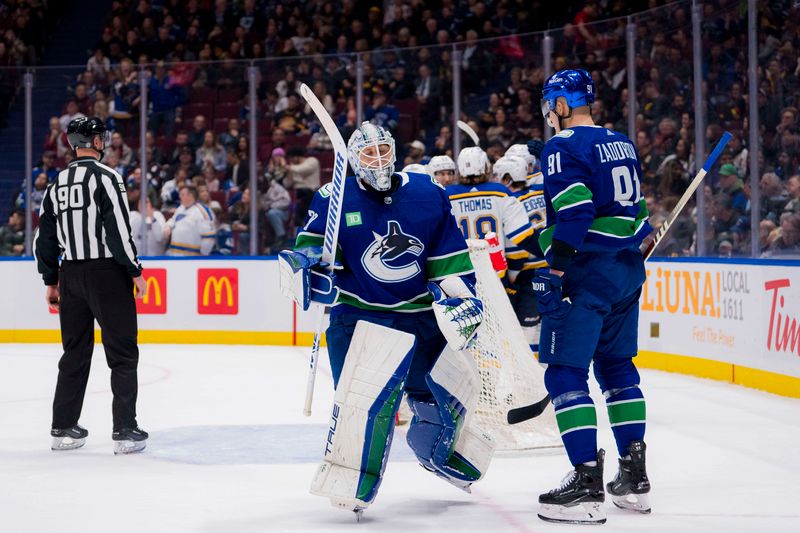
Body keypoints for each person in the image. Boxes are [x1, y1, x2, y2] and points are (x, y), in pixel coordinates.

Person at [279, 122, 494, 515]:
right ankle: (352, 476)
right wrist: (306, 273)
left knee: (443, 394)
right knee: (362, 404)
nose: (377, 160)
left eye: (383, 151)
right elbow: (307, 252)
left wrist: (460, 298)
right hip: (360, 317)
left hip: (420, 316)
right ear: (354, 161)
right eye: (368, 154)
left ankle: (440, 453)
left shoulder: (428, 194)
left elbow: (447, 260)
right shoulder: (333, 198)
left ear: (394, 152)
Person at [534, 69, 653, 524]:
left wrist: (556, 269)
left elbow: (575, 211)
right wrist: (634, 240)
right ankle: (633, 478)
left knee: (565, 374)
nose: (549, 112)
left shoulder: (562, 147)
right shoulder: (621, 141)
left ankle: (586, 483)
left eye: (550, 102)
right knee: (618, 368)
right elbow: (639, 210)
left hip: (587, 270)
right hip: (626, 269)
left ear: (562, 103)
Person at [32, 116, 149, 454]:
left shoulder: (56, 183)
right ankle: (125, 430)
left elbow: (45, 238)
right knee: (122, 352)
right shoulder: (108, 177)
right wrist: (135, 271)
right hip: (106, 274)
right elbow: (118, 231)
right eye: (101, 137)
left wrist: (51, 279)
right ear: (95, 142)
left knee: (74, 352)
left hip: (70, 274)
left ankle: (63, 427)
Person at [492, 155, 548, 349]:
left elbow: (518, 247)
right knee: (545, 325)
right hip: (551, 266)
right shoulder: (541, 191)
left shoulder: (510, 201)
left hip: (526, 274)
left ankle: (530, 374)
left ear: (507, 177)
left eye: (498, 176)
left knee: (524, 330)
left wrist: (511, 278)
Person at [163, 185, 216, 256]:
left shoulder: (202, 211)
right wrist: (168, 226)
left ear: (190, 196)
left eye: (182, 194)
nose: (179, 196)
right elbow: (173, 220)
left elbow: (210, 234)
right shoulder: (181, 208)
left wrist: (204, 253)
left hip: (191, 257)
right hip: (174, 254)